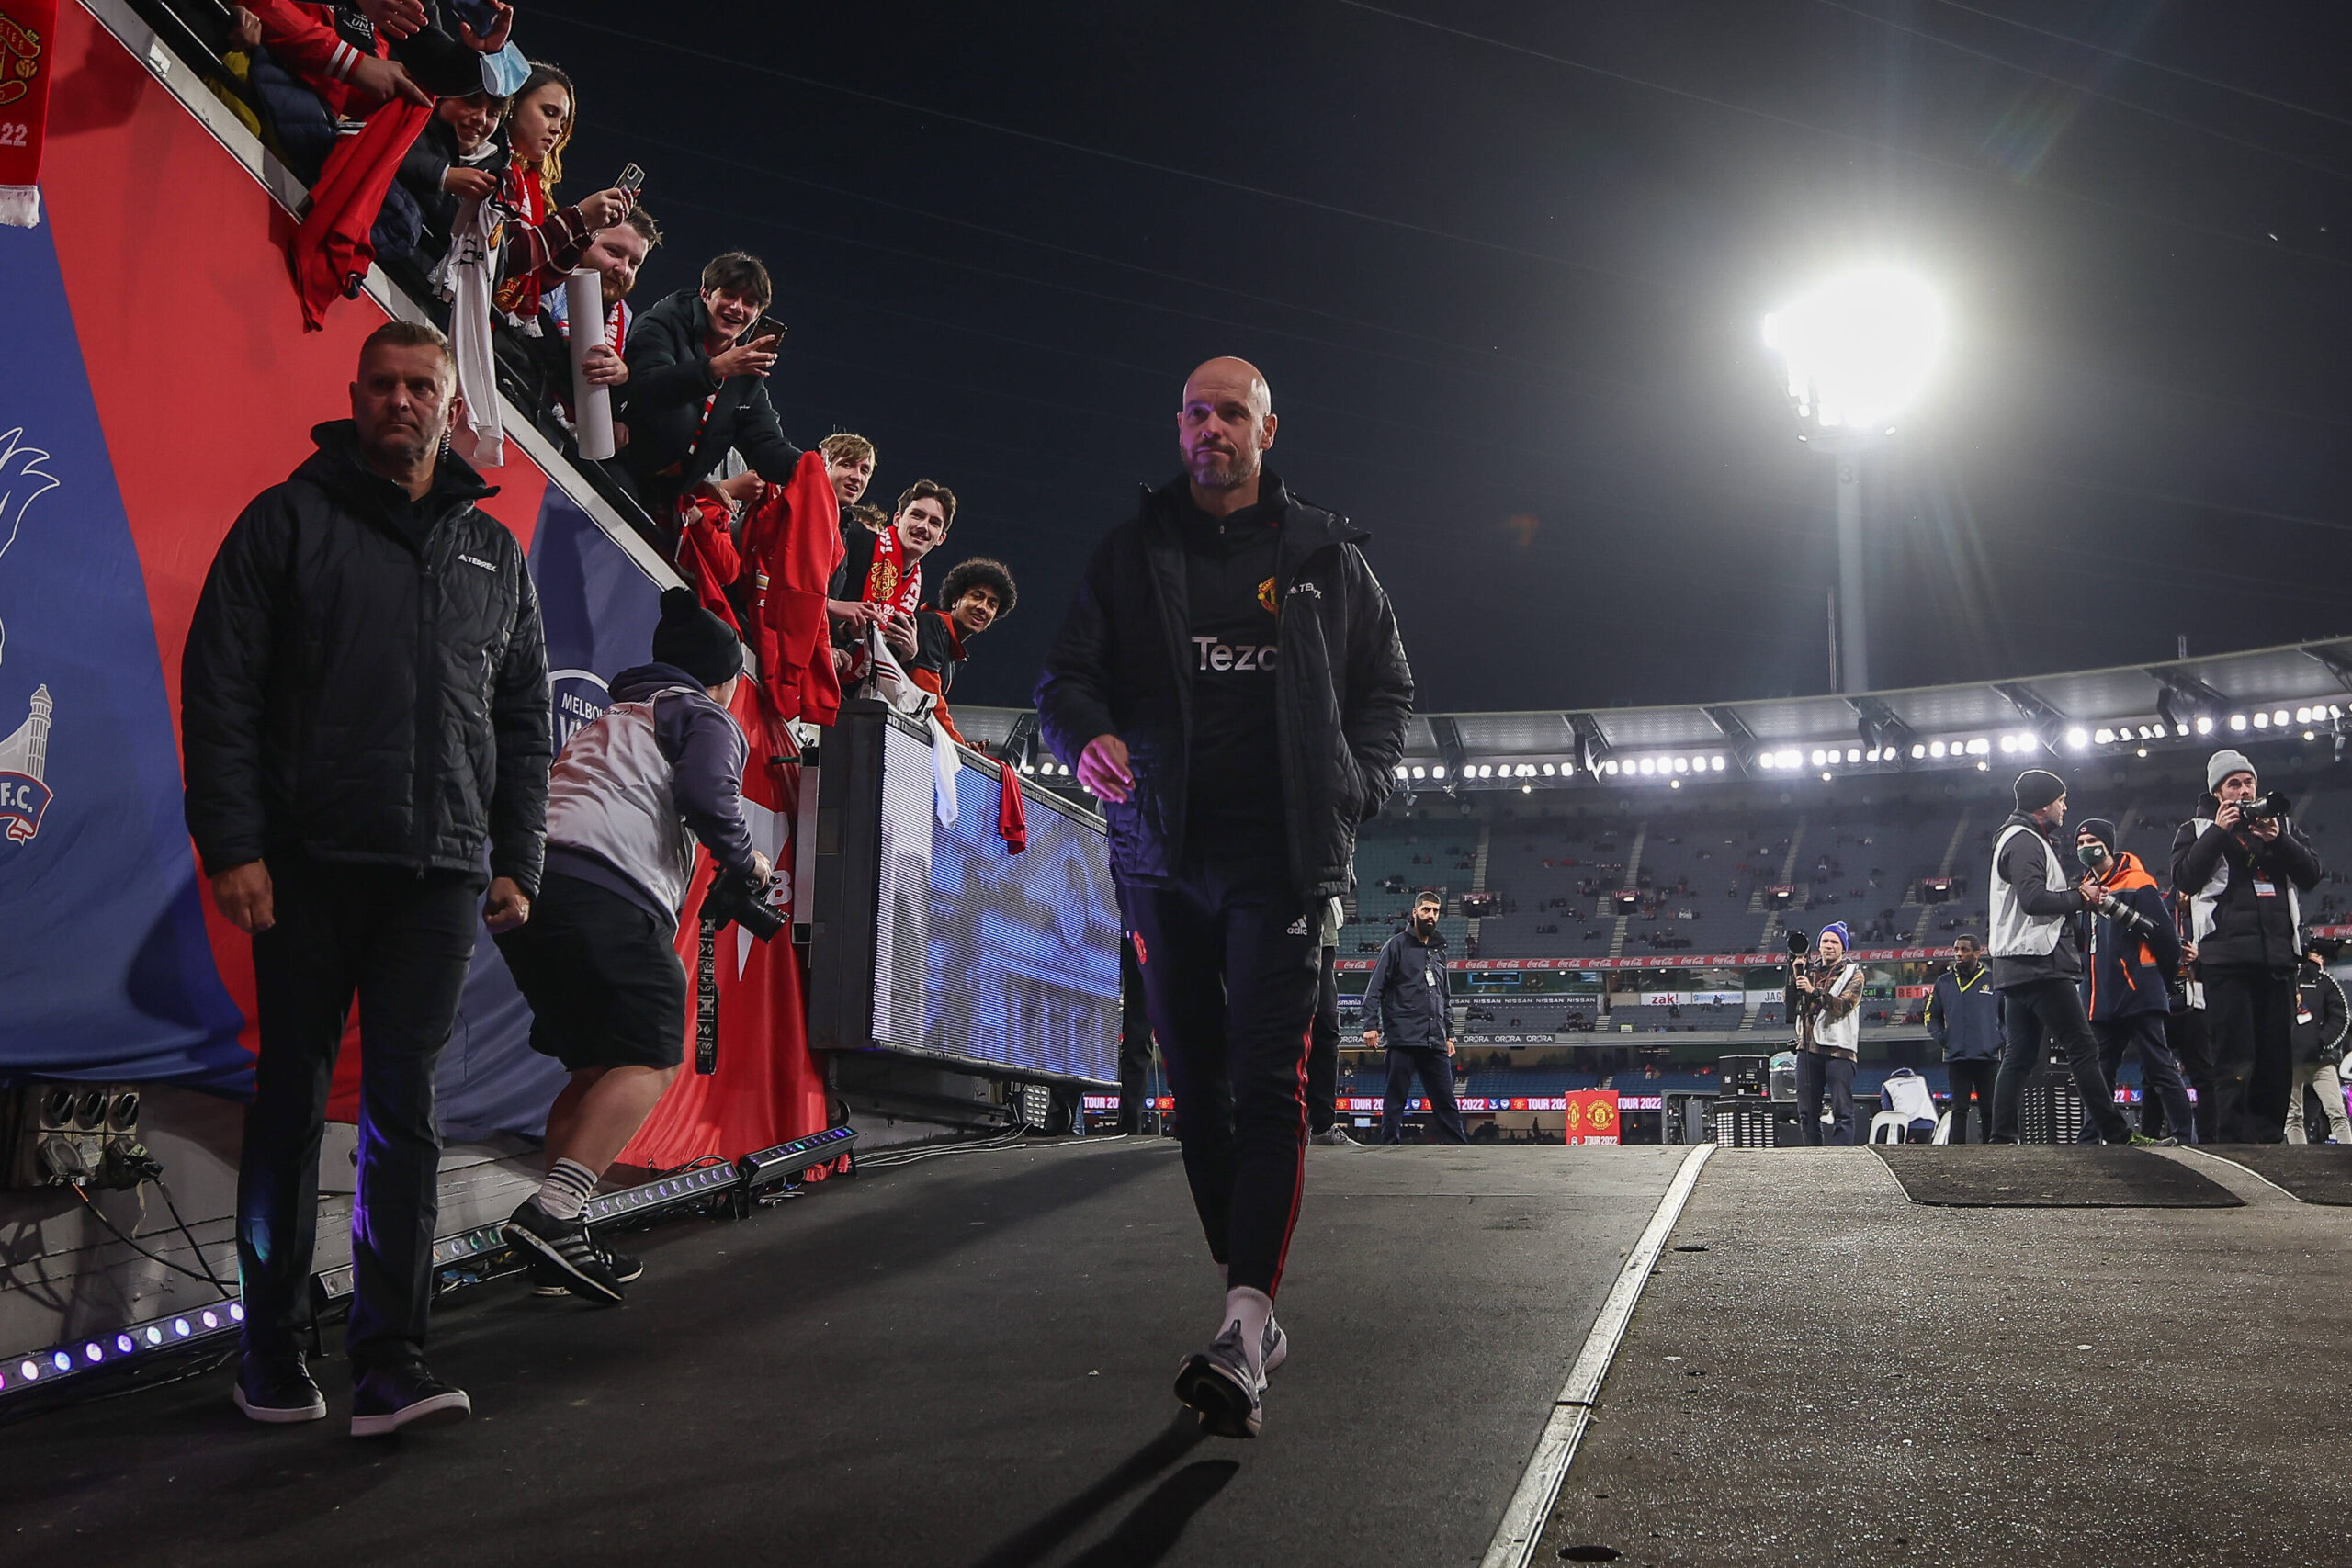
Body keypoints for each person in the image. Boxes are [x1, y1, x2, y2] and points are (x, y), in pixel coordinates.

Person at [182, 320, 549, 1437]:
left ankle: (390, 1361)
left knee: (408, 1113)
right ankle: (271, 1353)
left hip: (437, 874)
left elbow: (525, 720)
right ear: (354, 397)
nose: (401, 401)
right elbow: (221, 690)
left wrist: (515, 854)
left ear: (450, 404)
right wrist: (234, 846)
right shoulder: (284, 522)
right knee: (291, 1103)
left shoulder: (496, 555)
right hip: (303, 865)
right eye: (383, 385)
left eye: (420, 386)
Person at [1035, 355, 1412, 1439]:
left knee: (1266, 1080)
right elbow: (1066, 676)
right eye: (1197, 413)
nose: (1212, 429)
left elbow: (1387, 686)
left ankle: (1244, 1321)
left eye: (1232, 414)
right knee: (1194, 1092)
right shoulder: (1128, 552)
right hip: (1163, 853)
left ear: (1268, 430)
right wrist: (1085, 731)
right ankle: (1247, 1299)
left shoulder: (1323, 555)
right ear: (1178, 426)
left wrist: (1362, 784)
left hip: (1282, 858)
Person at [495, 590, 769, 1300]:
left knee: (593, 1068)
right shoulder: (703, 713)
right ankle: (556, 1209)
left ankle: (563, 1231)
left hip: (531, 889)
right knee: (651, 1053)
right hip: (606, 887)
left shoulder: (619, 714)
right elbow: (711, 800)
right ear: (724, 678)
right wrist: (749, 863)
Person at [2171, 750, 2324, 1143]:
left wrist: (2280, 839)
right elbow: (2185, 881)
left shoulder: (2279, 825)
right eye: (2234, 784)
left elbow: (2312, 874)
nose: (2244, 790)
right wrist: (2218, 833)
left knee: (2275, 1060)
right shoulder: (2196, 828)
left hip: (2276, 960)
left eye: (2248, 781)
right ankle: (2235, 1146)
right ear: (2218, 791)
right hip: (2225, 961)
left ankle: (2271, 1144)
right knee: (2234, 1058)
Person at [1987, 770, 2137, 1145]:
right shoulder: (2024, 841)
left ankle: (2001, 1138)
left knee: (2019, 1055)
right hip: (2038, 962)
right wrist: (2080, 897)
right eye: (2061, 799)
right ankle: (2116, 1135)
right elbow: (2034, 900)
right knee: (2083, 1048)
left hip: (2017, 963)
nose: (2065, 806)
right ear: (2043, 804)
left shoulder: (2019, 838)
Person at [616, 252, 802, 525]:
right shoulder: (663, 323)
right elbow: (646, 387)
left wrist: (806, 467)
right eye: (729, 295)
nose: (737, 308)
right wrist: (715, 369)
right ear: (705, 293)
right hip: (622, 470)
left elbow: (763, 441)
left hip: (671, 498)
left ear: (758, 313)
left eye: (750, 303)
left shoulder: (745, 371)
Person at [2072, 819, 2193, 1144]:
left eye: (2092, 840)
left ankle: (2185, 1137)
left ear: (2108, 844)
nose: (2085, 847)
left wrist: (2158, 983)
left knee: (2160, 1069)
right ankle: (2089, 1142)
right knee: (2099, 1076)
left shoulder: (2138, 881)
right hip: (2100, 998)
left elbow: (2166, 940)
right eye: (2080, 842)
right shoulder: (2084, 890)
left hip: (2139, 991)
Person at [1362, 892, 1467, 1146]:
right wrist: (1370, 1025)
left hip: (1434, 1039)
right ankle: (1389, 1146)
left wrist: (1450, 1033)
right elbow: (1374, 988)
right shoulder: (1395, 945)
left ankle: (1460, 1150)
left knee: (1445, 1100)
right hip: (1403, 1037)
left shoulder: (1439, 953)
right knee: (1395, 1097)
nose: (1431, 916)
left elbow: (1445, 997)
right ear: (1415, 912)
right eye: (1426, 910)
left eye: (1436, 911)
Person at [841, 479, 955, 673]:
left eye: (934, 523)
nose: (924, 527)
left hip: (854, 689)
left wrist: (908, 655)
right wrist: (841, 631)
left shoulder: (912, 591)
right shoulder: (857, 540)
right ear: (897, 519)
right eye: (917, 516)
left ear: (941, 538)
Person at [902, 557, 1013, 745]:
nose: (982, 607)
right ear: (955, 601)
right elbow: (926, 690)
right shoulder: (933, 623)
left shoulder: (951, 653)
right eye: (977, 596)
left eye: (992, 604)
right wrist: (958, 746)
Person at [1790, 922, 1864, 1145]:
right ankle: (1814, 1157)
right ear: (1818, 946)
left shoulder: (1854, 973)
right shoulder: (1808, 971)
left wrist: (1813, 992)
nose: (1828, 946)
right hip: (1808, 1046)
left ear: (1843, 947)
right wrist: (1795, 974)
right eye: (1825, 941)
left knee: (1842, 1110)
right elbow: (1790, 1005)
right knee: (1807, 1111)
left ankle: (1841, 1159)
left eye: (1834, 942)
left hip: (1838, 1050)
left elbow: (1842, 1006)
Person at [1924, 932, 1999, 1143]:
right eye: (1956, 949)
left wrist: (1998, 1039)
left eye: (1964, 949)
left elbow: (2009, 1016)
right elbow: (1931, 1015)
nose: (1958, 954)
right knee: (1959, 1110)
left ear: (1978, 953)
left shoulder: (1993, 981)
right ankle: (1956, 1154)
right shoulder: (1944, 982)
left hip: (1988, 1056)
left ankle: (1992, 1153)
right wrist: (1942, 1038)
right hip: (1957, 1056)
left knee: (1989, 1110)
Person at [2285, 941, 2349, 1144]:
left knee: (2333, 1112)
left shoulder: (2323, 982)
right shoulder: (2289, 981)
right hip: (2299, 1059)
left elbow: (2341, 1018)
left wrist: (2321, 1042)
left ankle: (2346, 1160)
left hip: (2318, 1059)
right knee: (2332, 1113)